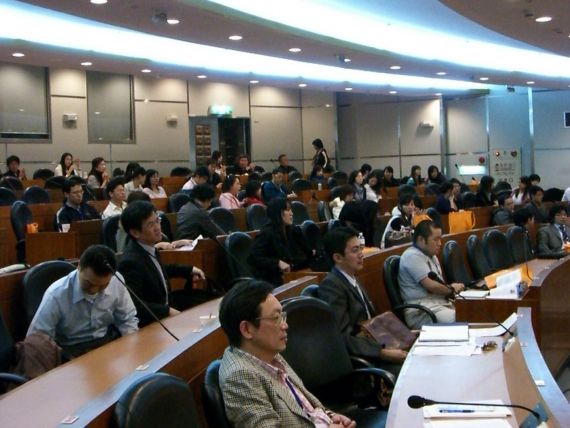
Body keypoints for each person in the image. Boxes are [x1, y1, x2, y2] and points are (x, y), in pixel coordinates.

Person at [218, 279, 355, 428]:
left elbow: (304, 408)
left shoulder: (266, 352)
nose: (285, 325)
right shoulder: (240, 377)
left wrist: (330, 416)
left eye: (282, 316)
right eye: (276, 318)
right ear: (247, 329)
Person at [27, 245, 138, 359]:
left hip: (106, 343)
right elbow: (36, 340)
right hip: (70, 351)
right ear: (79, 266)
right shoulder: (56, 294)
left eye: (103, 286)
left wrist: (130, 348)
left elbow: (127, 319)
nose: (94, 290)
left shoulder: (116, 280)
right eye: (89, 283)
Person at [320, 226, 407, 364]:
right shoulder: (331, 286)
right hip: (364, 358)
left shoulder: (352, 277)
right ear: (338, 257)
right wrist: (382, 353)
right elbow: (343, 337)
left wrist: (402, 334)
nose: (361, 254)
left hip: (376, 342)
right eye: (355, 250)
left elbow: (371, 321)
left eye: (360, 248)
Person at [118, 201, 205, 327]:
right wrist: (167, 311)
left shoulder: (147, 247)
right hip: (152, 323)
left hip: (166, 309)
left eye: (157, 221)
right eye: (150, 225)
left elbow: (157, 270)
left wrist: (188, 269)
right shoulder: (130, 262)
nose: (157, 227)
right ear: (135, 232)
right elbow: (136, 305)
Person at [398, 220, 464, 329]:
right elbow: (432, 286)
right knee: (463, 319)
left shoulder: (432, 256)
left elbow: (439, 285)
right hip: (422, 312)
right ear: (421, 239)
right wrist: (452, 289)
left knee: (471, 312)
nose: (440, 243)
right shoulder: (411, 256)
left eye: (440, 239)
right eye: (435, 239)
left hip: (439, 305)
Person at [248, 198, 313, 286]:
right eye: (288, 210)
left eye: (291, 210)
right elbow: (253, 259)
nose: (292, 213)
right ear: (278, 213)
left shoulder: (294, 230)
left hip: (295, 274)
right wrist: (277, 262)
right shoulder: (266, 233)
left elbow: (305, 252)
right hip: (274, 279)